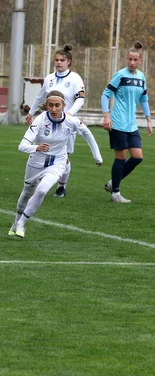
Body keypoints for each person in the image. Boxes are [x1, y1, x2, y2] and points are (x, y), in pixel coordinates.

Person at [9, 90, 102, 238]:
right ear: (46, 105)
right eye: (50, 105)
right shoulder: (40, 120)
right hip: (36, 161)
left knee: (41, 190)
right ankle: (16, 221)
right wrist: (36, 147)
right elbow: (21, 146)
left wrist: (97, 157)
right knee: (26, 194)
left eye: (57, 105)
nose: (54, 109)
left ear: (64, 105)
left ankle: (21, 224)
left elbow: (87, 134)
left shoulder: (71, 121)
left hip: (57, 163)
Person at [26, 44, 85, 197]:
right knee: (42, 150)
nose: (58, 62)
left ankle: (61, 186)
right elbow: (40, 97)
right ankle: (39, 183)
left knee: (64, 157)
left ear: (68, 62)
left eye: (62, 60)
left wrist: (70, 114)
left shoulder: (75, 79)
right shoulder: (49, 78)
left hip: (66, 125)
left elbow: (80, 99)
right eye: (56, 60)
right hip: (47, 123)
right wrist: (31, 112)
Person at [102, 41, 153, 203]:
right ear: (126, 59)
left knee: (137, 157)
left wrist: (149, 120)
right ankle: (115, 193)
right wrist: (106, 116)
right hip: (117, 123)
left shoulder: (141, 77)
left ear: (140, 61)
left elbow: (143, 99)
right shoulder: (120, 75)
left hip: (132, 125)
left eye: (135, 60)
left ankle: (112, 182)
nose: (131, 63)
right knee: (121, 157)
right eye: (129, 59)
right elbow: (106, 94)